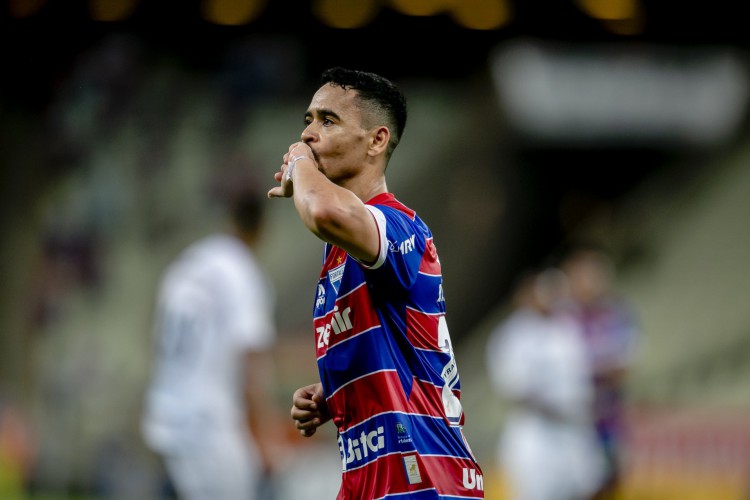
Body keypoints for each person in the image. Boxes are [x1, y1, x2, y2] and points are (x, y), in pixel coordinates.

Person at [268, 67, 484, 499]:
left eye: (327, 121)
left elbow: (326, 213)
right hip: (369, 478)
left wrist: (299, 164)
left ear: (376, 140)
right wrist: (334, 394)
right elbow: (399, 349)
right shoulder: (340, 252)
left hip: (424, 476)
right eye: (307, 121)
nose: (309, 134)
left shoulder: (399, 226)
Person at [141, 167, 284, 500]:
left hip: (165, 418)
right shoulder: (241, 271)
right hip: (208, 425)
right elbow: (251, 360)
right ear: (261, 227)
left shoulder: (188, 263)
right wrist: (265, 438)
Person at [485, 268, 606, 500]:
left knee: (589, 489)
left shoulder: (567, 327)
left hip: (577, 432)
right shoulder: (513, 335)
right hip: (537, 436)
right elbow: (516, 392)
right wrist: (564, 410)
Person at [559, 244, 640, 499]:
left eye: (595, 274)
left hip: (608, 421)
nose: (591, 282)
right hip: (570, 424)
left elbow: (623, 367)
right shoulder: (560, 318)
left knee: (610, 483)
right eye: (583, 274)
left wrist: (583, 372)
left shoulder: (619, 314)